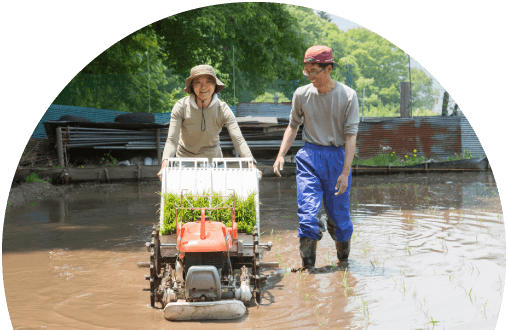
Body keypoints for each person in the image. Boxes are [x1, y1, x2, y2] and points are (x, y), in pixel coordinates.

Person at [273, 45, 360, 271]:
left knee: (339, 217)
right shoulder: (302, 94)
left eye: (314, 71)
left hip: (336, 158)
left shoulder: (348, 96)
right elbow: (293, 127)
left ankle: (344, 263)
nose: (310, 76)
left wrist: (345, 172)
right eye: (307, 71)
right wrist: (281, 154)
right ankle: (308, 269)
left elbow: (350, 137)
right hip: (309, 157)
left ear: (328, 68)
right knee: (307, 212)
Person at [157, 64, 260, 179]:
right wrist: (164, 165)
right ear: (192, 86)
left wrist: (251, 163)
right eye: (198, 82)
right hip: (185, 162)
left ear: (215, 85)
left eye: (208, 82)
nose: (203, 87)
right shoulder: (181, 107)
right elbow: (172, 140)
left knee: (218, 196)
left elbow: (238, 140)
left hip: (214, 162)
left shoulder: (223, 109)